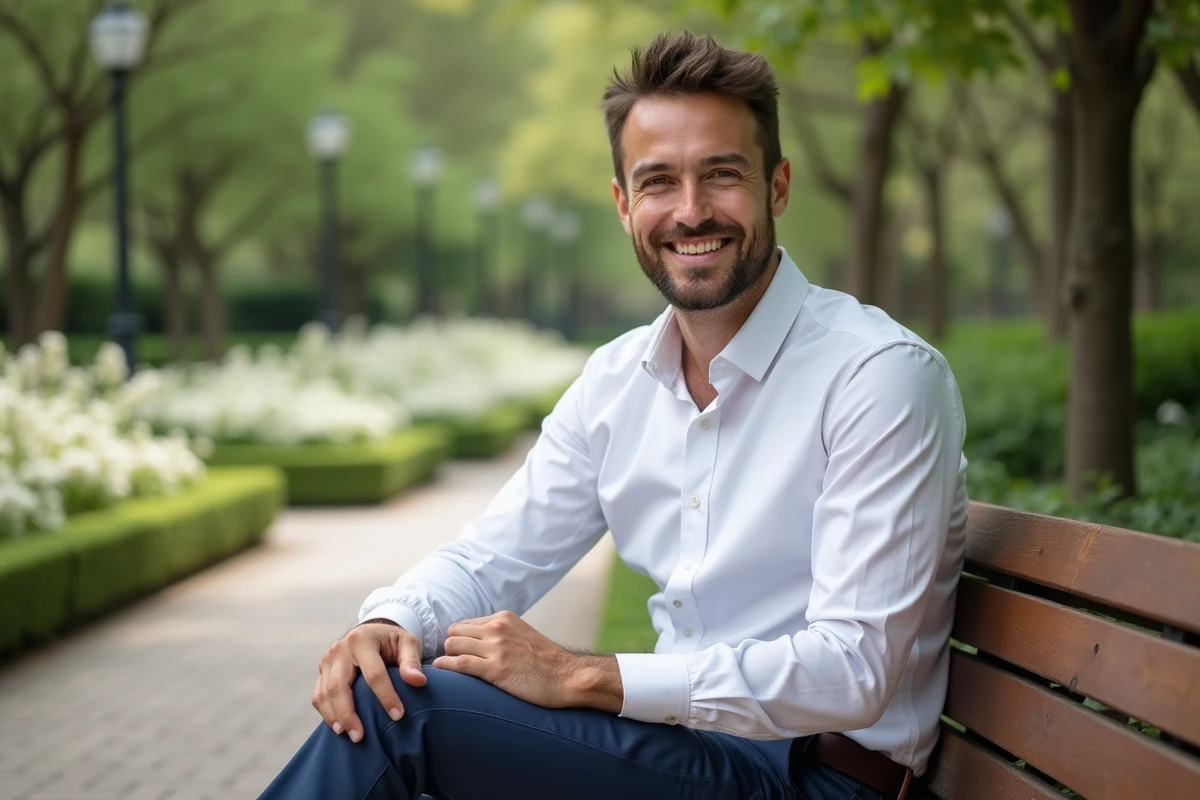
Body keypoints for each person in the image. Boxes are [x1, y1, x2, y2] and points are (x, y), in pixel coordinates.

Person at [260, 30, 968, 800]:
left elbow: (852, 670)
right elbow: (491, 558)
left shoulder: (878, 376)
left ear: (778, 187)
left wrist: (581, 675)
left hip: (820, 781)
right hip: (676, 757)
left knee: (400, 718)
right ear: (624, 204)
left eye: (722, 175)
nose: (691, 211)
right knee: (392, 685)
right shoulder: (615, 382)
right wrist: (390, 621)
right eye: (659, 181)